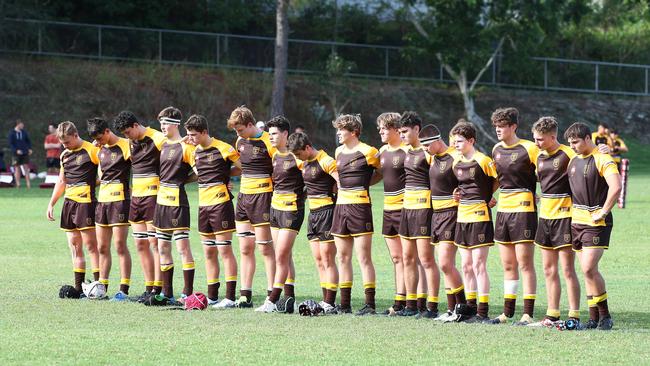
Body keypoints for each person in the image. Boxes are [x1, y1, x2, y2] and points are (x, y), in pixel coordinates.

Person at [565, 122, 621, 330]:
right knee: (587, 270)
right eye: (569, 143)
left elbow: (616, 187)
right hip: (576, 221)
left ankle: (605, 316)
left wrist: (604, 211)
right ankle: (593, 318)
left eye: (576, 142)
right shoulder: (572, 160)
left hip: (597, 222)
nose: (572, 146)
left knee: (588, 268)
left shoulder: (603, 158)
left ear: (588, 138)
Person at [528, 116, 581, 327]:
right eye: (534, 139)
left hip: (565, 218)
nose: (536, 143)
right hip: (545, 218)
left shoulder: (569, 154)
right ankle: (552, 314)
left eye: (540, 139)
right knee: (549, 269)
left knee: (567, 269)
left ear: (553, 136)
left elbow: (589, 163)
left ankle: (574, 315)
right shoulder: (539, 155)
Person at [490, 107, 540, 326]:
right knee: (508, 265)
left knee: (525, 263)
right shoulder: (496, 149)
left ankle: (528, 313)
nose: (498, 130)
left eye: (502, 126)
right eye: (496, 127)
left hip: (524, 212)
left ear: (513, 126)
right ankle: (507, 313)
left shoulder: (530, 148)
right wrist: (485, 195)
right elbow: (495, 180)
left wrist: (541, 195)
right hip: (503, 211)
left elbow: (548, 171)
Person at [185, 114, 241, 309]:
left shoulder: (224, 148)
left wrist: (225, 175)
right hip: (203, 206)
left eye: (193, 135)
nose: (190, 138)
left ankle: (230, 297)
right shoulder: (193, 151)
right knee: (209, 252)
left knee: (224, 249)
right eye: (188, 135)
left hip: (221, 204)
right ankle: (212, 296)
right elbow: (196, 173)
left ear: (204, 132)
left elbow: (242, 168)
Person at [147, 106, 197, 306]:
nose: (162, 127)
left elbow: (199, 172)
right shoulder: (162, 144)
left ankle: (187, 293)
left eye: (165, 123)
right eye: (161, 123)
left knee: (182, 247)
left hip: (177, 202)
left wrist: (183, 181)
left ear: (175, 124)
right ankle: (167, 293)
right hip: (161, 202)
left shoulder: (187, 147)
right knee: (162, 246)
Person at [228, 106, 277, 308]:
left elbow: (279, 167)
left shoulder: (268, 141)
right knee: (245, 247)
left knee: (265, 248)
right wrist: (222, 176)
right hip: (243, 198)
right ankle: (244, 294)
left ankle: (271, 294)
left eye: (240, 129)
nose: (237, 134)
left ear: (250, 124)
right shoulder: (240, 141)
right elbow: (241, 167)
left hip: (262, 197)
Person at [113, 111, 165, 300]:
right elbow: (112, 146)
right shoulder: (128, 142)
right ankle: (148, 286)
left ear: (136, 125)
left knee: (155, 243)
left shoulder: (157, 138)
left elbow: (178, 150)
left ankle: (158, 289)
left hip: (154, 195)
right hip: (136, 198)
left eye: (128, 132)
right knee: (140, 244)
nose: (127, 136)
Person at [331, 114, 379, 315]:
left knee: (363, 257)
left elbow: (382, 172)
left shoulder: (369, 151)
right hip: (341, 207)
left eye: (341, 130)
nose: (338, 133)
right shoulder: (338, 151)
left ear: (353, 132)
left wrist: (364, 185)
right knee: (342, 257)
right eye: (338, 129)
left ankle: (369, 303)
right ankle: (345, 303)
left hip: (360, 207)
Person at [451, 120, 498, 323]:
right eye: (454, 141)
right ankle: (470, 307)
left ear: (471, 140)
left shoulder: (483, 160)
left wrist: (489, 195)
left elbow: (498, 179)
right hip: (462, 217)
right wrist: (456, 194)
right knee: (466, 265)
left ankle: (483, 310)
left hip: (480, 217)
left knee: (479, 264)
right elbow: (460, 186)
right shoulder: (456, 162)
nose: (456, 145)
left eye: (460, 141)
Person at [255, 116, 303, 313]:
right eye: (270, 133)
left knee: (280, 256)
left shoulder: (297, 157)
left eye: (274, 133)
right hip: (275, 208)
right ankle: (289, 297)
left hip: (292, 210)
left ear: (285, 134)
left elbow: (314, 176)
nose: (271, 137)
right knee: (284, 255)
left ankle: (271, 301)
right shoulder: (274, 154)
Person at [395, 113, 440, 319]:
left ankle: (432, 306)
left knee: (426, 259)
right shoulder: (405, 151)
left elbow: (445, 174)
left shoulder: (428, 152)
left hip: (424, 208)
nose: (402, 135)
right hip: (407, 208)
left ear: (417, 130)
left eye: (405, 131)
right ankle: (411, 304)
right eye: (400, 132)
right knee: (407, 257)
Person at [46, 121, 100, 294]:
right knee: (75, 246)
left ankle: (99, 286)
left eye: (67, 142)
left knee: (91, 246)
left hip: (86, 203)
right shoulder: (64, 155)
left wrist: (89, 183)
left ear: (76, 135)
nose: (65, 146)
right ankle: (79, 287)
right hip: (69, 204)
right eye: (62, 143)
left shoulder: (92, 150)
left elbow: (106, 174)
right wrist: (51, 203)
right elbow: (62, 181)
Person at [288, 132, 340, 314]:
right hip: (313, 214)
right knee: (318, 259)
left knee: (327, 258)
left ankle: (330, 302)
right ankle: (325, 298)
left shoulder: (326, 161)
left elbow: (341, 185)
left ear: (308, 148)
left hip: (327, 212)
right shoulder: (303, 162)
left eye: (299, 154)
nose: (297, 158)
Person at [87, 117, 133, 301]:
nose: (97, 142)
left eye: (100, 138)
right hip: (102, 202)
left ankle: (123, 290)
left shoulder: (125, 145)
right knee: (102, 247)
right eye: (95, 140)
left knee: (120, 245)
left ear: (107, 131)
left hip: (120, 200)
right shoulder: (99, 149)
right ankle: (101, 288)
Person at [426, 124, 466, 322]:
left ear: (437, 141)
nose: (425, 149)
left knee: (445, 263)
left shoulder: (455, 157)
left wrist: (466, 193)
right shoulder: (432, 157)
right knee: (445, 265)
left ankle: (462, 307)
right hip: (437, 214)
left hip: (452, 213)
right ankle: (452, 310)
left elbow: (472, 177)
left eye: (427, 145)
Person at [375, 112, 408, 315]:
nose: (380, 131)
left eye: (384, 128)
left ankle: (415, 301)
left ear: (396, 130)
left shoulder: (408, 150)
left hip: (407, 208)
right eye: (379, 128)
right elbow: (377, 175)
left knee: (410, 257)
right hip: (388, 209)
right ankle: (399, 300)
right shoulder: (382, 151)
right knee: (396, 257)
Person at [8, 119, 32, 188]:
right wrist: (16, 150)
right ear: (18, 124)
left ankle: (28, 184)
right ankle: (18, 184)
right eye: (21, 124)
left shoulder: (24, 132)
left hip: (25, 152)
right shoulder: (12, 133)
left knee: (26, 167)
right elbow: (11, 144)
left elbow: (28, 141)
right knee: (17, 168)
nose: (23, 125)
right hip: (16, 154)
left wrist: (29, 149)